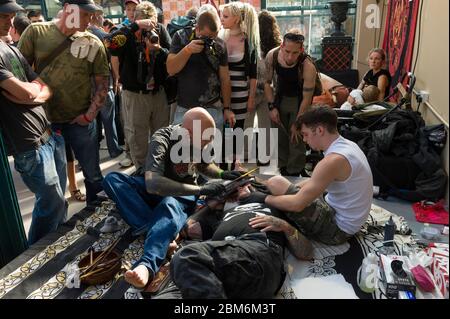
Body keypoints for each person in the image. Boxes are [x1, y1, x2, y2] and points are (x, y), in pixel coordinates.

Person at [102, 107, 244, 290]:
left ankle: (147, 263)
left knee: (169, 204)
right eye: (206, 138)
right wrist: (202, 189)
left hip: (181, 195)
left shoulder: (196, 141)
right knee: (113, 180)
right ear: (189, 133)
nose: (209, 142)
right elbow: (152, 184)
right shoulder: (163, 138)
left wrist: (224, 174)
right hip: (159, 190)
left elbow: (204, 165)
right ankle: (155, 229)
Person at [18, 0, 110, 204]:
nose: (90, 19)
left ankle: (97, 220)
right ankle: (59, 231)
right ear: (69, 8)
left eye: (91, 14)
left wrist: (89, 115)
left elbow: (102, 85)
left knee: (94, 177)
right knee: (53, 186)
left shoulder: (93, 42)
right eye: (85, 14)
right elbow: (19, 74)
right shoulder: (36, 32)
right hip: (45, 125)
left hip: (80, 121)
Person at [240, 106, 373, 245]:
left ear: (320, 130)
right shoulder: (347, 145)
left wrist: (264, 198)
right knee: (278, 185)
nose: (304, 140)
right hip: (346, 218)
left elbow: (297, 204)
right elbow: (313, 181)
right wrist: (288, 189)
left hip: (338, 230)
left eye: (305, 134)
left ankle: (255, 189)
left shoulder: (332, 160)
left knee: (277, 186)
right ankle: (258, 185)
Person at [157, 185, 313, 299]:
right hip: (214, 271)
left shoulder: (271, 205)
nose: (239, 189)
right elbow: (189, 228)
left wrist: (286, 227)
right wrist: (211, 205)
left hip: (257, 253)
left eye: (244, 185)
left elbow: (307, 253)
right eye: (235, 187)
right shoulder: (225, 213)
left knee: (187, 256)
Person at [0, 0, 67, 245]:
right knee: (53, 202)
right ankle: (35, 255)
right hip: (29, 145)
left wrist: (32, 94)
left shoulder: (12, 48)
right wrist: (33, 93)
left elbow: (44, 88)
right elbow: (31, 91)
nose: (10, 21)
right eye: (3, 16)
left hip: (49, 136)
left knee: (59, 202)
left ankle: (57, 246)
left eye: (11, 16)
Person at [105, 1, 171, 175]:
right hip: (135, 95)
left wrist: (158, 49)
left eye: (152, 23)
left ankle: (160, 172)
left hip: (158, 93)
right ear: (137, 20)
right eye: (145, 24)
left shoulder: (161, 32)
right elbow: (110, 45)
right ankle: (142, 173)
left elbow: (172, 58)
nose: (149, 30)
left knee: (162, 136)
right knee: (137, 138)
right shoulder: (127, 33)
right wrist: (135, 27)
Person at [167, 5, 232, 130]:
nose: (211, 41)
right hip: (186, 108)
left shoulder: (220, 44)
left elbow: (225, 79)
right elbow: (171, 69)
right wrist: (187, 50)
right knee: (184, 148)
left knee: (213, 148)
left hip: (213, 107)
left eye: (215, 35)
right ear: (197, 29)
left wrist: (227, 108)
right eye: (207, 37)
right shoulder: (181, 37)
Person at [264, 28, 318, 177]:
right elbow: (267, 83)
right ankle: (283, 168)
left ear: (301, 49)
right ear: (282, 46)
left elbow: (307, 98)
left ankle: (295, 170)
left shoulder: (308, 66)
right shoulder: (273, 55)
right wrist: (271, 107)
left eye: (295, 53)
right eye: (287, 51)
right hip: (279, 97)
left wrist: (298, 122)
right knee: (280, 134)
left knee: (297, 136)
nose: (290, 56)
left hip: (299, 100)